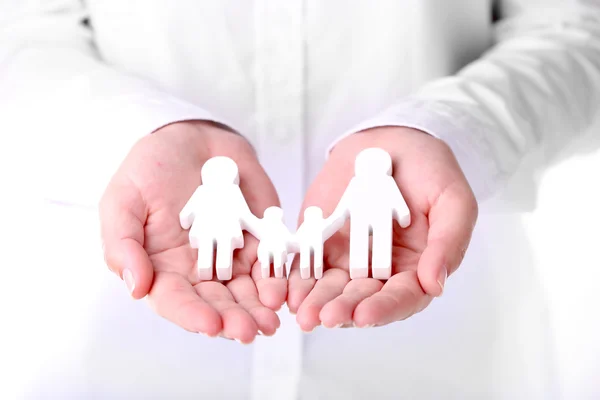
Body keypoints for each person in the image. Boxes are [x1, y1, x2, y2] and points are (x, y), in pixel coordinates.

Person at [2, 1, 599, 398]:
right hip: (112, 358)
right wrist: (138, 136)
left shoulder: (379, 191)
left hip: (438, 360)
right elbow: (20, 40)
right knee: (213, 254)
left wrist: (454, 130)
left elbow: (577, 34)